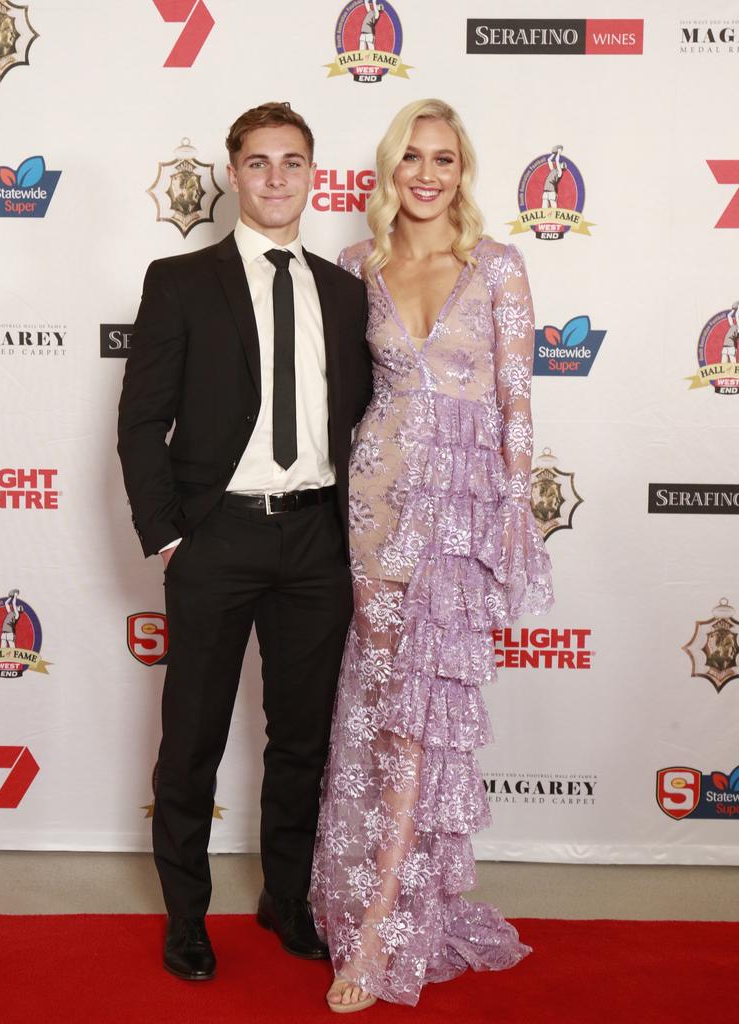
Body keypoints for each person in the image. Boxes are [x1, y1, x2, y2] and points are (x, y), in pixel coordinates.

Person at [117, 102, 372, 983]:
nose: (274, 179)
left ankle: (286, 899)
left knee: (302, 739)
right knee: (192, 738)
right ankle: (186, 916)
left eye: (291, 162)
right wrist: (170, 539)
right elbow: (142, 421)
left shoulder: (346, 293)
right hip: (217, 536)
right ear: (232, 174)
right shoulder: (179, 281)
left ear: (313, 173)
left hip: (316, 541)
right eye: (257, 163)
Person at [310, 98, 553, 1012]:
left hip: (457, 514)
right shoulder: (355, 265)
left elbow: (518, 404)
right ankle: (354, 897)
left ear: (464, 172)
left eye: (443, 160)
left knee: (421, 721)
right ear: (388, 166)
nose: (426, 174)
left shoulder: (497, 266)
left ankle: (381, 934)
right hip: (373, 504)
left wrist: (512, 515)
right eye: (411, 156)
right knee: (373, 708)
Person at [542, 145, 564, 209]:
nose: (560, 164)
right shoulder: (553, 170)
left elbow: (557, 160)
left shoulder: (560, 172)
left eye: (562, 164)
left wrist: (559, 152)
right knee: (543, 209)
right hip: (546, 191)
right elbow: (549, 160)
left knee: (554, 210)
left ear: (562, 167)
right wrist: (554, 154)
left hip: (552, 192)